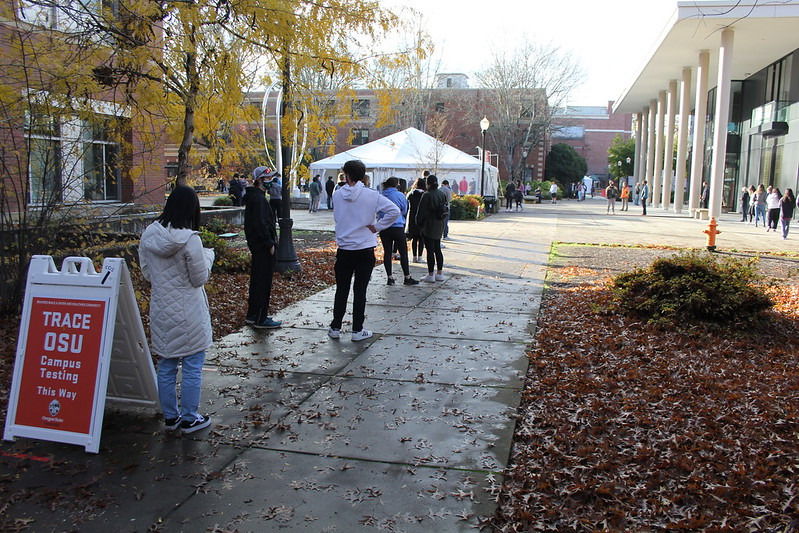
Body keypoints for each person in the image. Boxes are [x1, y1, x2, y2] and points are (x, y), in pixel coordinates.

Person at [138, 185, 214, 434]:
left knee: (167, 365)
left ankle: (171, 417)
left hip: (162, 309)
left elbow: (147, 273)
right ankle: (190, 417)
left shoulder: (149, 235)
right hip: (189, 312)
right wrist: (208, 258)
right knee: (192, 365)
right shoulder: (191, 239)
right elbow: (199, 278)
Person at [328, 160, 399, 342]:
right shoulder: (371, 195)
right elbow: (394, 211)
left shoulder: (337, 195)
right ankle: (357, 330)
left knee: (341, 290)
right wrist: (377, 227)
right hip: (364, 248)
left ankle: (335, 326)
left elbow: (337, 216)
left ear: (346, 174)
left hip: (344, 248)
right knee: (360, 291)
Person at [244, 175, 281, 329]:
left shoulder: (255, 197)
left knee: (257, 280)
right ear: (259, 180)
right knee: (263, 283)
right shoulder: (258, 200)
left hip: (258, 247)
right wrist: (269, 243)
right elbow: (260, 223)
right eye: (267, 178)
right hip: (262, 247)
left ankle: (253, 315)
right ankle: (260, 317)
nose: (270, 180)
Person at [378, 177, 418, 286]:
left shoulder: (380, 195)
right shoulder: (400, 195)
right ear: (397, 185)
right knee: (403, 252)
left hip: (384, 227)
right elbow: (404, 210)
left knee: (387, 252)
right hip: (397, 226)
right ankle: (407, 277)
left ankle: (390, 277)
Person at [416, 174, 447, 283]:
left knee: (430, 250)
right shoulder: (442, 194)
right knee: (437, 249)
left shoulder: (426, 195)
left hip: (428, 225)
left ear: (427, 183)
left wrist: (418, 224)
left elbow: (420, 213)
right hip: (439, 224)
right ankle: (439, 273)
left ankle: (430, 275)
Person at [407, 178, 426, 262]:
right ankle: (420, 257)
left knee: (414, 239)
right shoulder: (424, 194)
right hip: (422, 218)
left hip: (411, 218)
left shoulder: (410, 194)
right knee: (421, 239)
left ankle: (414, 257)